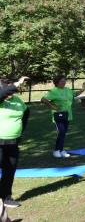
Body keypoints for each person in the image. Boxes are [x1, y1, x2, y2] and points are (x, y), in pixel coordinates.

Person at [0, 76, 30, 209]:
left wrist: (19, 132)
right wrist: (17, 83)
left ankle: (6, 197)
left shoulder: (17, 100)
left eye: (12, 91)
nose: (10, 94)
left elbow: (26, 112)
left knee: (9, 170)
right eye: (8, 91)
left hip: (13, 142)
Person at [41, 75, 85, 157]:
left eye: (64, 81)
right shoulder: (53, 91)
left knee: (63, 133)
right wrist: (53, 107)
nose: (64, 82)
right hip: (58, 115)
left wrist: (82, 90)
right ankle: (56, 150)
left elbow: (74, 94)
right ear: (57, 82)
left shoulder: (68, 90)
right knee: (61, 131)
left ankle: (61, 150)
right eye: (62, 81)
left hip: (67, 115)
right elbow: (43, 99)